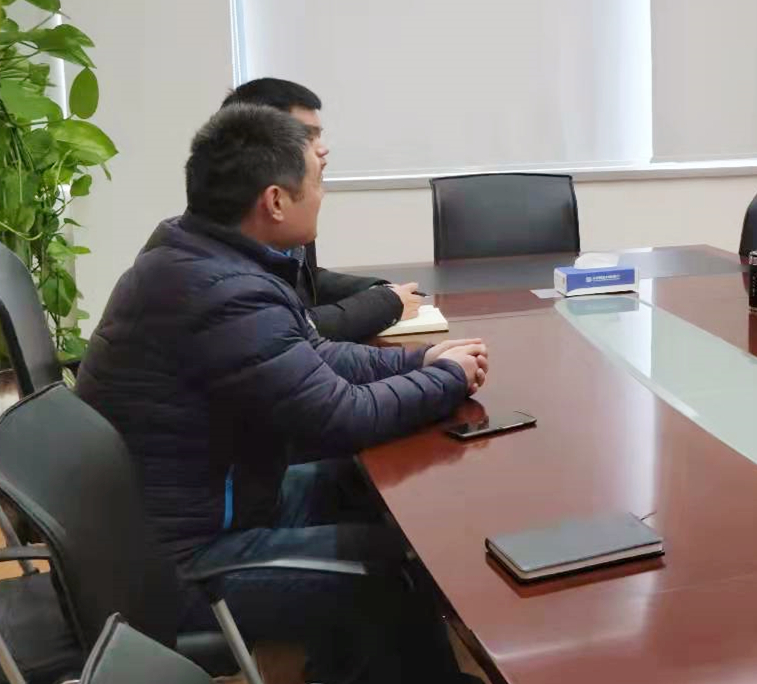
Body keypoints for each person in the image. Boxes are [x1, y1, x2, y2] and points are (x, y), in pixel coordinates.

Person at [76, 104, 488, 684]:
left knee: (358, 486)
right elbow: (341, 416)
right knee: (394, 571)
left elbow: (313, 357)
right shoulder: (220, 290)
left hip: (206, 507)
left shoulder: (201, 256)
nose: (322, 194)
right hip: (183, 564)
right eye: (316, 181)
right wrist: (446, 380)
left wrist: (418, 360)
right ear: (274, 201)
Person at [221, 77, 421, 343]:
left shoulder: (292, 206)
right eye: (307, 136)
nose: (323, 149)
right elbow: (288, 328)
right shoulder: (235, 229)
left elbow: (307, 279)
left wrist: (378, 289)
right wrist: (384, 304)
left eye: (318, 135)